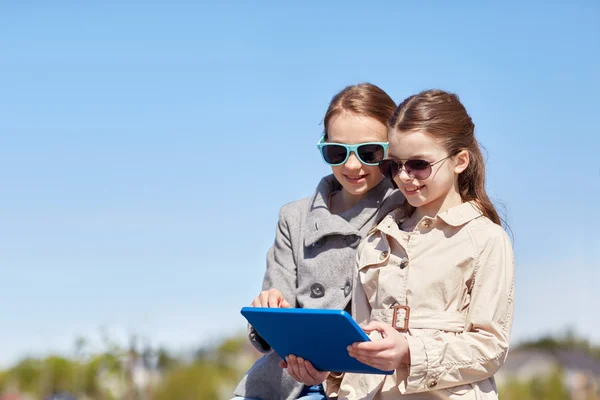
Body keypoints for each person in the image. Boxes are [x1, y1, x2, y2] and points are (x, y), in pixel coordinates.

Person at [286, 89, 515, 400]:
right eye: (393, 166)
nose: (405, 177)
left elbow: (490, 348)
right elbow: (361, 338)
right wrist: (327, 370)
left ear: (460, 160)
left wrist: (409, 351)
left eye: (419, 165)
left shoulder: (486, 239)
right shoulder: (376, 238)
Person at [233, 83, 405, 400]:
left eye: (369, 153)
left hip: (361, 385)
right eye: (337, 152)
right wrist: (268, 312)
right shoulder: (294, 218)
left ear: (392, 148)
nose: (352, 166)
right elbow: (275, 317)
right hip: (283, 382)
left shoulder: (405, 210)